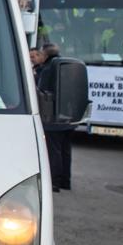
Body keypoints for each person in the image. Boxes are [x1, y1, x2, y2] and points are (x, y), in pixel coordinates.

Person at [37, 43, 73, 192]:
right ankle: (66, 181)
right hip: (69, 116)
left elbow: (42, 91)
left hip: (53, 118)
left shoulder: (47, 69)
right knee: (65, 149)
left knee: (54, 150)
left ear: (45, 55)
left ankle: (54, 182)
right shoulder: (66, 66)